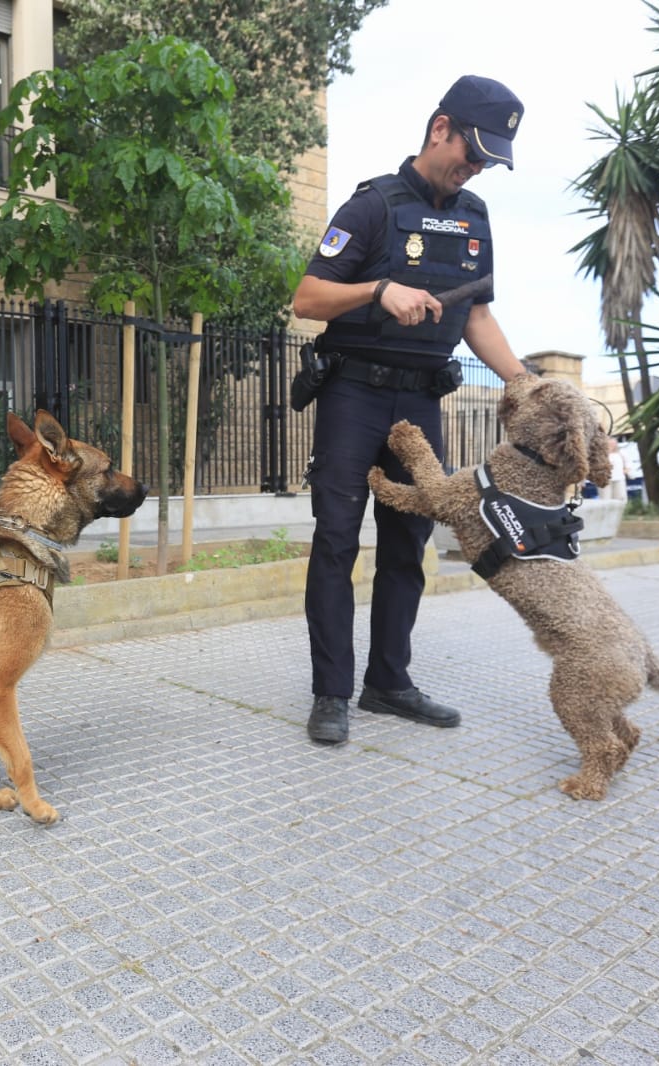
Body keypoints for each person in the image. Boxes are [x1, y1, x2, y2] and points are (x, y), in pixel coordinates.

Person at [291, 75, 532, 746]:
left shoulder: (475, 217)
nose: (475, 166)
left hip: (422, 400)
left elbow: (476, 314)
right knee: (337, 540)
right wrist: (378, 290)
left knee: (408, 545)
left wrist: (522, 381)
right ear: (439, 128)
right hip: (353, 395)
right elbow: (306, 298)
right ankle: (330, 692)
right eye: (471, 149)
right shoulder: (371, 206)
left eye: (487, 159)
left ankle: (387, 684)